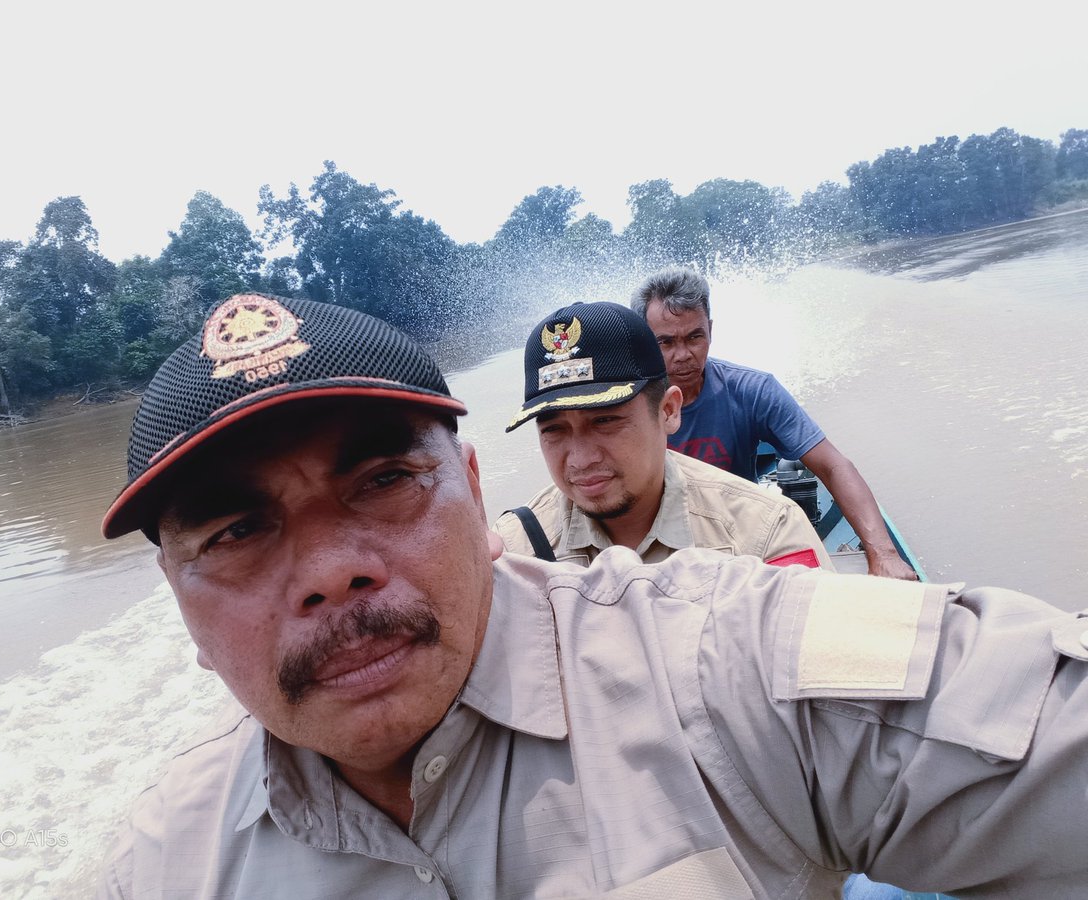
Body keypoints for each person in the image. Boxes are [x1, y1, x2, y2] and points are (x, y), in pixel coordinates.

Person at [99, 291, 1088, 898]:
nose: (327, 570)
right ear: (176, 600)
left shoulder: (725, 645)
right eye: (234, 532)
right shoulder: (163, 865)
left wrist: (880, 550)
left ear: (471, 493)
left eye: (384, 480)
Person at [494, 300, 832, 571]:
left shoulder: (765, 536)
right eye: (553, 430)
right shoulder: (514, 552)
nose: (582, 459)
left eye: (606, 421)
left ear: (669, 411)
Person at [630, 266, 919, 581]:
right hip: (653, 546)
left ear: (711, 330)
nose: (683, 354)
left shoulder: (753, 391)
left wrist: (883, 554)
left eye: (694, 337)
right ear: (644, 341)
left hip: (735, 543)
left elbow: (833, 466)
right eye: (666, 343)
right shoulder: (624, 405)